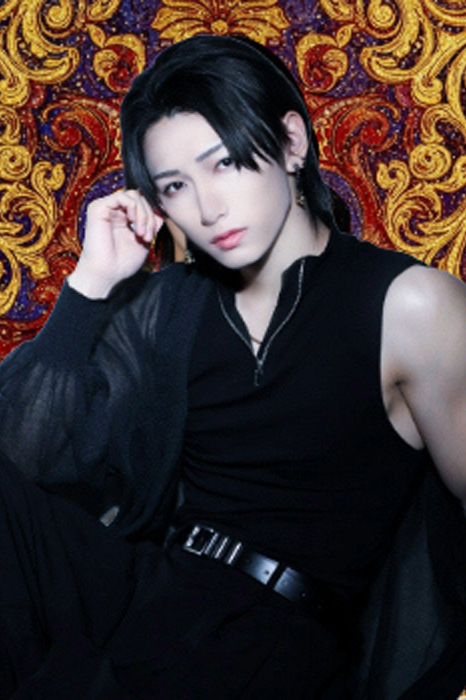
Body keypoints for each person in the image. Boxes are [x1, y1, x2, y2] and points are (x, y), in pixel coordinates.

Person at [0, 34, 466, 700]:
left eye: (222, 164)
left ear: (292, 143)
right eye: (175, 186)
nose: (207, 208)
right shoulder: (166, 304)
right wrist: (90, 285)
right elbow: (24, 456)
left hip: (277, 640)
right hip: (146, 591)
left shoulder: (411, 304)